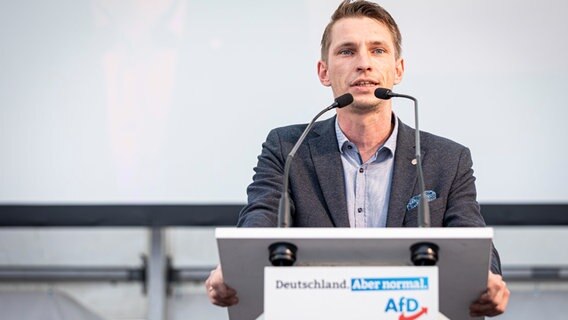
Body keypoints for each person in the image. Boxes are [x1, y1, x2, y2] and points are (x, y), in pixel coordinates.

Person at [205, 0, 510, 317]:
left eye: (378, 50)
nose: (364, 63)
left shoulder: (447, 159)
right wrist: (234, 266)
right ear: (324, 72)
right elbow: (259, 220)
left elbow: (473, 243)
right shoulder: (287, 148)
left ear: (398, 69)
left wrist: (487, 279)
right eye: (347, 51)